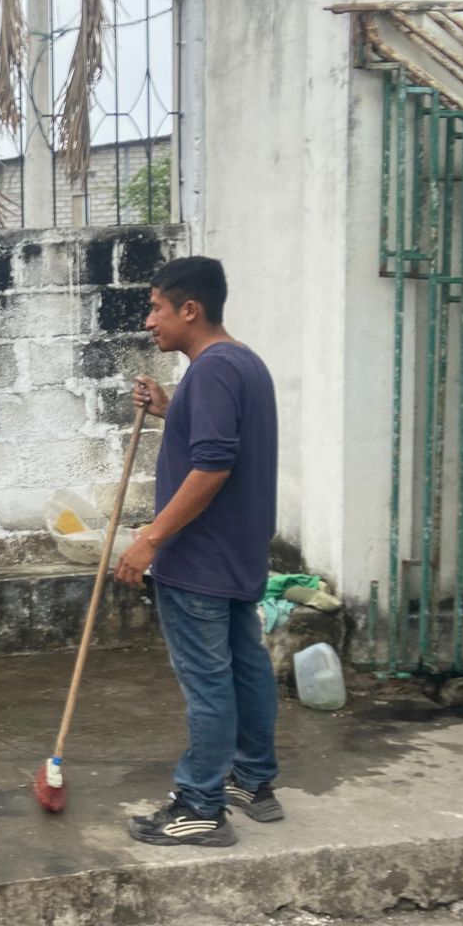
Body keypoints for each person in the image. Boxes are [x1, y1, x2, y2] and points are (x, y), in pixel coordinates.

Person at [113, 256, 281, 848]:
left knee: (208, 683)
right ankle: (252, 781)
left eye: (156, 308)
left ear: (190, 309)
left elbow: (212, 465)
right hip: (239, 553)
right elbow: (218, 436)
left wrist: (150, 539)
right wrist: (170, 407)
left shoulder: (211, 372)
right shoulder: (242, 363)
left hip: (199, 559)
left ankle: (201, 806)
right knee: (246, 668)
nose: (149, 320)